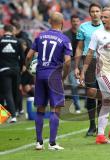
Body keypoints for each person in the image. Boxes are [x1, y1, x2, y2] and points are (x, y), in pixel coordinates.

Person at [79, 7, 110, 144]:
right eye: (102, 17)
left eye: (105, 17)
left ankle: (100, 135)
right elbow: (90, 53)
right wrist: (83, 71)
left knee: (107, 102)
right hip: (102, 72)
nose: (103, 19)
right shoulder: (97, 34)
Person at [26, 12, 71, 150]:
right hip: (54, 75)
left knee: (40, 108)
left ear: (50, 21)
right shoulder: (64, 39)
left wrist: (29, 68)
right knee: (55, 109)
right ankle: (52, 143)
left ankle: (39, 143)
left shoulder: (40, 36)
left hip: (40, 74)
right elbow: (68, 62)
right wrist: (64, 76)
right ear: (62, 22)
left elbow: (29, 56)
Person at [75, 3, 103, 136]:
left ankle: (101, 126)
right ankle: (92, 125)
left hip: (104, 63)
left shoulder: (107, 27)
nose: (95, 13)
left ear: (101, 12)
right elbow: (79, 47)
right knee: (91, 94)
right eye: (92, 11)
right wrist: (76, 66)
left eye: (97, 11)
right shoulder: (83, 28)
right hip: (89, 63)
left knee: (103, 95)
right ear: (89, 13)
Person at [0, 24, 24, 123]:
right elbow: (22, 57)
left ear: (4, 30)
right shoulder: (17, 41)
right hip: (16, 69)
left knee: (6, 93)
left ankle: (11, 115)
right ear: (12, 30)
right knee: (16, 91)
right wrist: (21, 67)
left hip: (4, 70)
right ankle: (17, 111)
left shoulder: (0, 40)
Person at [64, 14, 81, 113]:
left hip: (83, 61)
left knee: (88, 84)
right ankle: (77, 106)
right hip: (71, 61)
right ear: (71, 22)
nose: (75, 23)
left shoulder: (82, 33)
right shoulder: (66, 34)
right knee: (74, 85)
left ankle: (89, 104)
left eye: (77, 21)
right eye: (74, 21)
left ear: (79, 22)